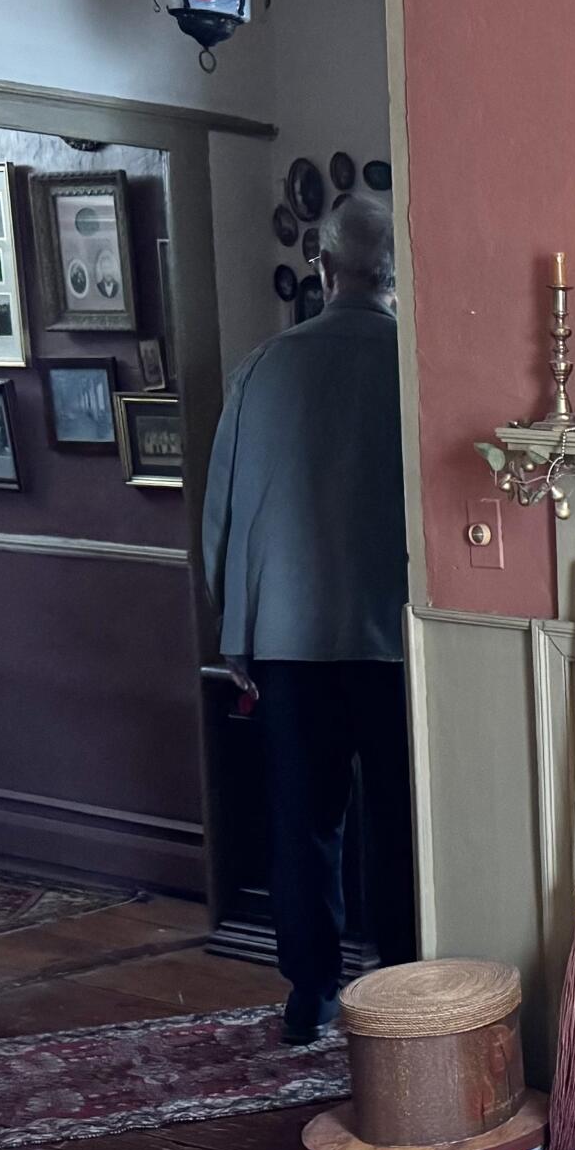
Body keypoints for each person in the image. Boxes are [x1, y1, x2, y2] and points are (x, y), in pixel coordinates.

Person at [199, 192, 416, 1044]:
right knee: (399, 822)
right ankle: (400, 984)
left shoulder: (264, 367)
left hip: (288, 639)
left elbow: (224, 514)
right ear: (394, 273)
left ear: (324, 267)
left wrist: (235, 634)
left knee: (303, 826)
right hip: (399, 642)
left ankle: (312, 993)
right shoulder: (416, 366)